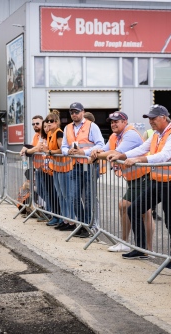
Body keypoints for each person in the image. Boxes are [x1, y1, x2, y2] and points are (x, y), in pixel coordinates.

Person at [108, 105, 171, 263]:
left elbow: (163, 156)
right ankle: (141, 249)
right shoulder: (157, 134)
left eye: (154, 118)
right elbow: (142, 148)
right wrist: (121, 155)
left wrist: (139, 159)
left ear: (164, 117)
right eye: (149, 118)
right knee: (134, 209)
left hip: (170, 184)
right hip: (156, 181)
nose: (151, 121)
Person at [91, 111, 154, 252]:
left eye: (117, 121)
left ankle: (129, 243)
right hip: (134, 177)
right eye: (112, 122)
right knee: (145, 212)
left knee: (124, 205)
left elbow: (115, 153)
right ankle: (145, 248)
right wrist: (97, 151)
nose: (113, 124)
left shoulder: (130, 134)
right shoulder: (115, 135)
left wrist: (96, 155)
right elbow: (105, 149)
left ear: (125, 122)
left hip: (143, 176)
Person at [57, 102, 104, 237]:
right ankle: (83, 224)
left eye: (76, 112)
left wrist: (85, 152)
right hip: (75, 165)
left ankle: (90, 226)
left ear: (83, 112)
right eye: (72, 112)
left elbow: (101, 144)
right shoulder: (67, 128)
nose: (74, 114)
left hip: (89, 166)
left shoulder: (92, 126)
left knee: (89, 197)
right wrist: (67, 152)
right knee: (74, 197)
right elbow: (64, 146)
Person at [39, 112, 64, 227]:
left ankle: (62, 219)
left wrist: (49, 152)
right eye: (47, 121)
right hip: (53, 167)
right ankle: (57, 217)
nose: (48, 123)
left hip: (62, 168)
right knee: (55, 194)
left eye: (51, 121)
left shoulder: (58, 133)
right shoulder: (50, 134)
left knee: (61, 195)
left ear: (57, 122)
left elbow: (62, 149)